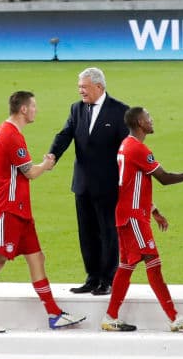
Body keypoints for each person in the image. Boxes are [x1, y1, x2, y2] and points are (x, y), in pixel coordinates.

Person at [0, 91, 83, 333]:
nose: (36, 110)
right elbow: (29, 172)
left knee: (36, 257)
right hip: (6, 210)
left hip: (20, 210)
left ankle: (54, 314)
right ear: (23, 109)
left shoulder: (6, 131)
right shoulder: (11, 136)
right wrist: (47, 164)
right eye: (34, 106)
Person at [100, 107, 183, 333]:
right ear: (139, 122)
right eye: (148, 117)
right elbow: (163, 178)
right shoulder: (138, 148)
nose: (152, 120)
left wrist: (154, 211)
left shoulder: (126, 146)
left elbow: (132, 184)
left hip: (129, 214)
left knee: (126, 266)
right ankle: (174, 317)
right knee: (152, 263)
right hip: (134, 217)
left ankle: (111, 316)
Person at [49, 68, 129, 296]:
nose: (80, 90)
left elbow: (127, 149)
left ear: (99, 87)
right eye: (79, 86)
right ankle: (92, 277)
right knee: (86, 233)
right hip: (82, 184)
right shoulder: (77, 109)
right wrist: (53, 155)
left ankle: (107, 279)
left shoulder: (120, 111)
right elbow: (65, 134)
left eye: (84, 86)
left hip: (108, 185)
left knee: (108, 232)